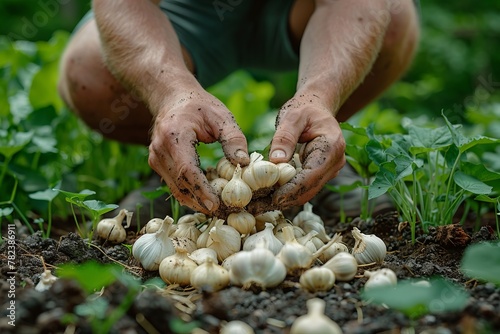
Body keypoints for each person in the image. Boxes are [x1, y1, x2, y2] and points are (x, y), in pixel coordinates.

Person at [57, 0, 420, 218]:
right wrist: (171, 93)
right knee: (90, 75)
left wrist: (321, 96)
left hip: (299, 8)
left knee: (392, 15)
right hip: (185, 9)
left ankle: (314, 148)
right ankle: (180, 163)